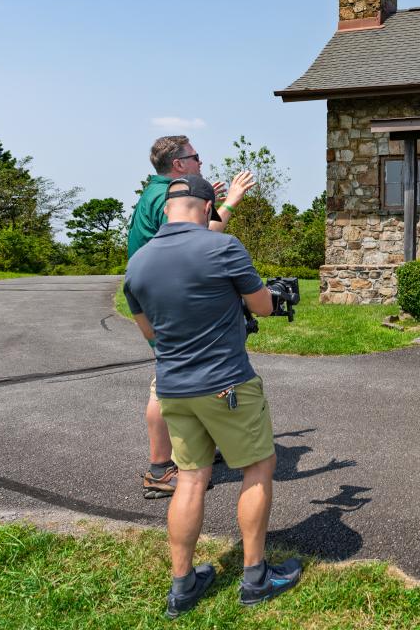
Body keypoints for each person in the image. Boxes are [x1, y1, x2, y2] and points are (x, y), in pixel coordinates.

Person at [124, 174, 300, 617]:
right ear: (207, 208)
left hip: (172, 388)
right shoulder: (223, 247)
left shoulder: (139, 263)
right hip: (226, 383)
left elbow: (150, 333)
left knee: (189, 477)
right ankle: (256, 577)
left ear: (166, 210)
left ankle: (182, 586)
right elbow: (262, 305)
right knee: (258, 468)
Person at [127, 135, 256, 499]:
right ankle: (161, 468)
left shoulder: (160, 193)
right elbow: (206, 237)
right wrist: (229, 201)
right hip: (170, 299)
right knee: (165, 379)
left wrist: (199, 198)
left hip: (157, 294)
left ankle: (192, 447)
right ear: (179, 164)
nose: (201, 161)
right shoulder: (163, 195)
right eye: (195, 157)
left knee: (175, 374)